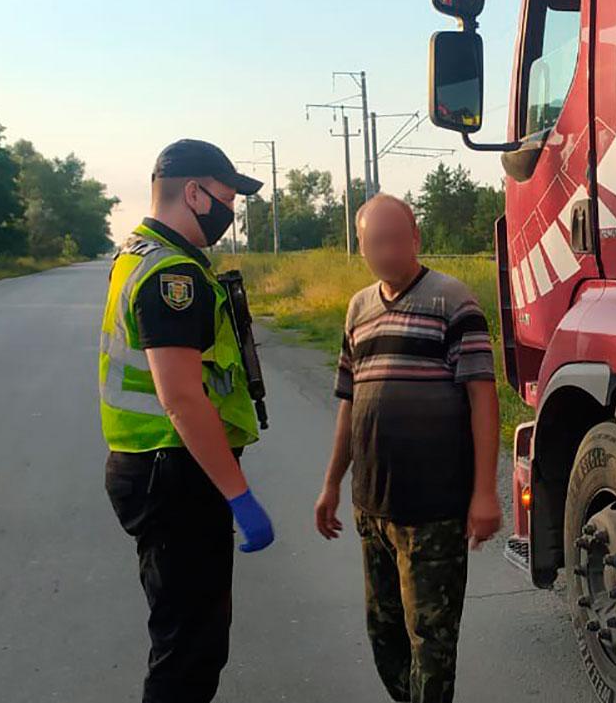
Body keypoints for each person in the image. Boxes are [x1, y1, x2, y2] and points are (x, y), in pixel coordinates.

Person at [99, 138, 276, 703]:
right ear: (195, 193)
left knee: (188, 639)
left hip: (155, 468)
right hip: (171, 472)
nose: (231, 211)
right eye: (227, 198)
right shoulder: (171, 276)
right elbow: (182, 398)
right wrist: (239, 497)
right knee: (188, 650)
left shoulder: (138, 256)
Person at [314, 193, 501, 703]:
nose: (387, 250)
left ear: (415, 238)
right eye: (375, 242)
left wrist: (485, 493)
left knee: (433, 645)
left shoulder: (453, 301)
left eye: (396, 238)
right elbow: (350, 404)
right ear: (362, 248)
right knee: (385, 635)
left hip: (432, 513)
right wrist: (332, 484)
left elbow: (484, 401)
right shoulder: (358, 309)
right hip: (372, 506)